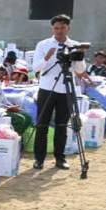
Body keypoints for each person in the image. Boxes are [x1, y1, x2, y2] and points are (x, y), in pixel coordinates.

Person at [31, 14, 80, 171]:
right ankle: (39, 159)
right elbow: (35, 68)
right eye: (56, 28)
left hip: (65, 89)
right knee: (42, 125)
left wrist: (79, 58)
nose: (59, 31)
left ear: (68, 28)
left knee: (61, 125)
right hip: (46, 88)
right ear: (52, 29)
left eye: (62, 28)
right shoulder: (43, 44)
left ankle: (60, 158)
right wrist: (47, 57)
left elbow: (80, 70)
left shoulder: (74, 45)